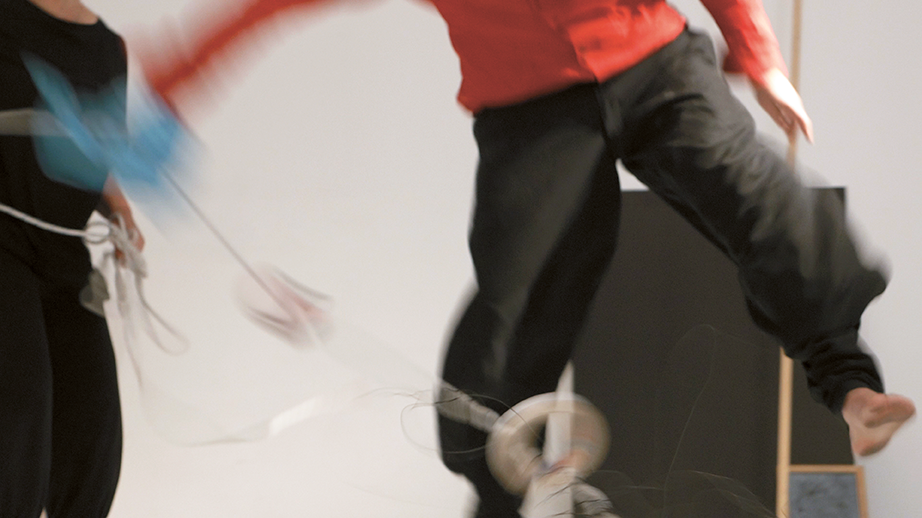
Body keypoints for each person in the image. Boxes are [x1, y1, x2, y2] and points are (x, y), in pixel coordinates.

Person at [132, 0, 915, 516]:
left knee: (768, 205)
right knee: (515, 308)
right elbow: (270, 5)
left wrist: (758, 53)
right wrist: (172, 77)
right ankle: (503, 496)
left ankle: (849, 386)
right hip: (530, 112)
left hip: (656, 65)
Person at [0, 0, 143, 516]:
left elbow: (95, 153)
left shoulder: (109, 49)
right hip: (2, 247)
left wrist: (119, 208)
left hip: (65, 256)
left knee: (94, 433)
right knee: (18, 415)